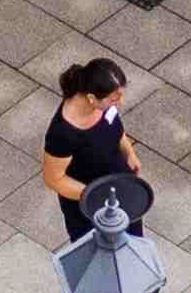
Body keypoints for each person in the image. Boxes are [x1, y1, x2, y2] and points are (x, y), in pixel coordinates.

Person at [41, 60, 145, 242]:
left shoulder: (104, 105)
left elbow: (115, 128)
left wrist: (129, 153)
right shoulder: (63, 134)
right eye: (114, 99)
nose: (121, 102)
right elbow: (54, 179)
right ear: (91, 98)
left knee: (132, 246)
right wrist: (96, 196)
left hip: (120, 189)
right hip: (91, 206)